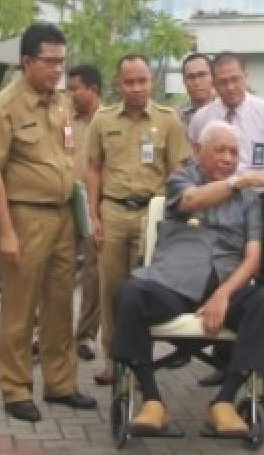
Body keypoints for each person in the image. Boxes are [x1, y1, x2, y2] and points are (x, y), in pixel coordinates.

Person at [111, 120, 264, 437]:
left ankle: (225, 401)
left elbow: (253, 258)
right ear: (197, 151)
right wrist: (241, 180)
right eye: (220, 150)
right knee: (130, 292)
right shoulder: (181, 179)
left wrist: (223, 295)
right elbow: (191, 201)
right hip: (173, 284)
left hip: (226, 286)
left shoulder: (249, 201)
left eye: (234, 152)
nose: (228, 159)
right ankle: (152, 400)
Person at [0, 24, 98, 423]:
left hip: (64, 217)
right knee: (20, 308)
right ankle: (15, 388)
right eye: (49, 62)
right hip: (25, 216)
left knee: (60, 305)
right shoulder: (3, 106)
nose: (57, 70)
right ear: (27, 61)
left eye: (61, 62)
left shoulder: (62, 103)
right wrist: (6, 230)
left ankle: (61, 383)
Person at [86, 53, 191, 386]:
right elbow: (93, 169)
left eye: (142, 81)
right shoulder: (102, 120)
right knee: (111, 290)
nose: (135, 88)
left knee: (143, 290)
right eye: (129, 82)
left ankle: (140, 360)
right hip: (113, 212)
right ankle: (112, 361)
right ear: (118, 84)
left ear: (152, 82)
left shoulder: (169, 120)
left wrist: (173, 219)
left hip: (152, 214)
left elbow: (178, 172)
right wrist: (93, 216)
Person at [188, 52, 264, 396]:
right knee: (222, 273)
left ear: (247, 76)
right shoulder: (203, 118)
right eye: (222, 81)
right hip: (218, 203)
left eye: (235, 79)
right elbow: (195, 163)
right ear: (213, 82)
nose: (230, 87)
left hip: (260, 202)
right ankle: (224, 362)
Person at [66, 63, 103, 362]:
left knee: (94, 274)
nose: (70, 94)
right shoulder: (65, 118)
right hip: (65, 203)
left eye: (75, 88)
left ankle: (87, 336)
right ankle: (46, 333)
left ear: (92, 90)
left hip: (97, 206)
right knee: (58, 271)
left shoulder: (108, 121)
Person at [178, 52, 215, 128]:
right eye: (191, 77)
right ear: (184, 81)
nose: (196, 82)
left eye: (202, 75)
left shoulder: (226, 110)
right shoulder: (177, 117)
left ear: (213, 77)